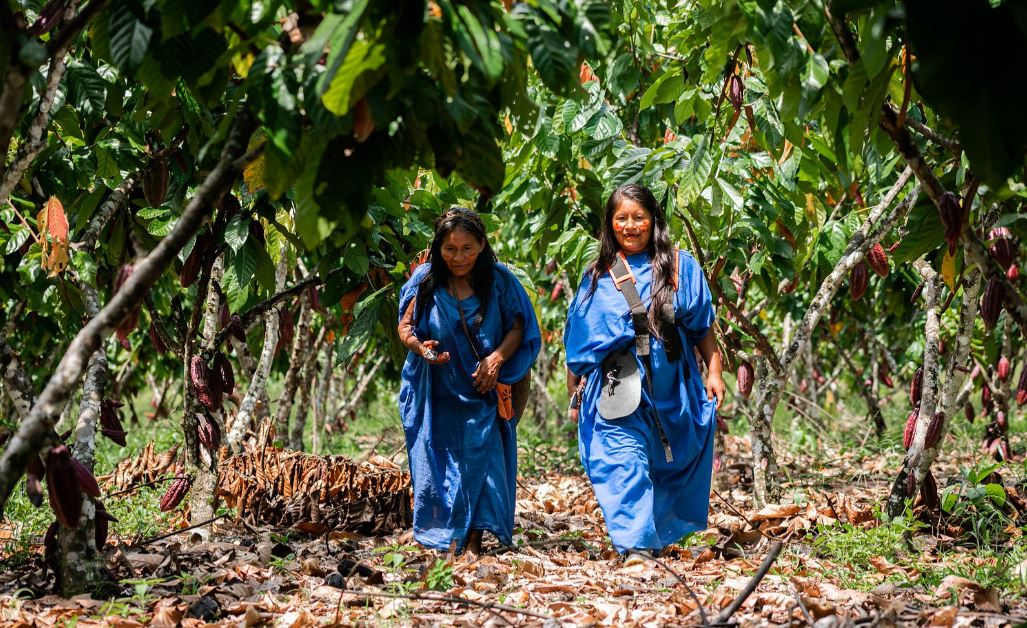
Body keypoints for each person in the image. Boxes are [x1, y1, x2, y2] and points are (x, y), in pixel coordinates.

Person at [564, 183, 724, 561]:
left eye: (639, 217)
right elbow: (579, 337)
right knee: (623, 457)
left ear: (654, 222)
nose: (631, 226)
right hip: (617, 381)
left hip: (672, 384)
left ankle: (652, 532)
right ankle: (636, 547)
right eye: (622, 219)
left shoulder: (681, 268)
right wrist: (574, 390)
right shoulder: (598, 275)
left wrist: (714, 372)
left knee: (666, 461)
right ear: (610, 224)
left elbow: (702, 327)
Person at [397, 207, 541, 555]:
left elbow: (519, 325)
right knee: (437, 461)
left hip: (482, 389)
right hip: (437, 391)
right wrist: (420, 347)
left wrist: (496, 359)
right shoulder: (425, 280)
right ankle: (445, 536)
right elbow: (405, 327)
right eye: (450, 249)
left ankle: (473, 539)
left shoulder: (500, 281)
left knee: (486, 459)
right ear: (438, 248)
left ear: (481, 245)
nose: (458, 257)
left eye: (467, 249)